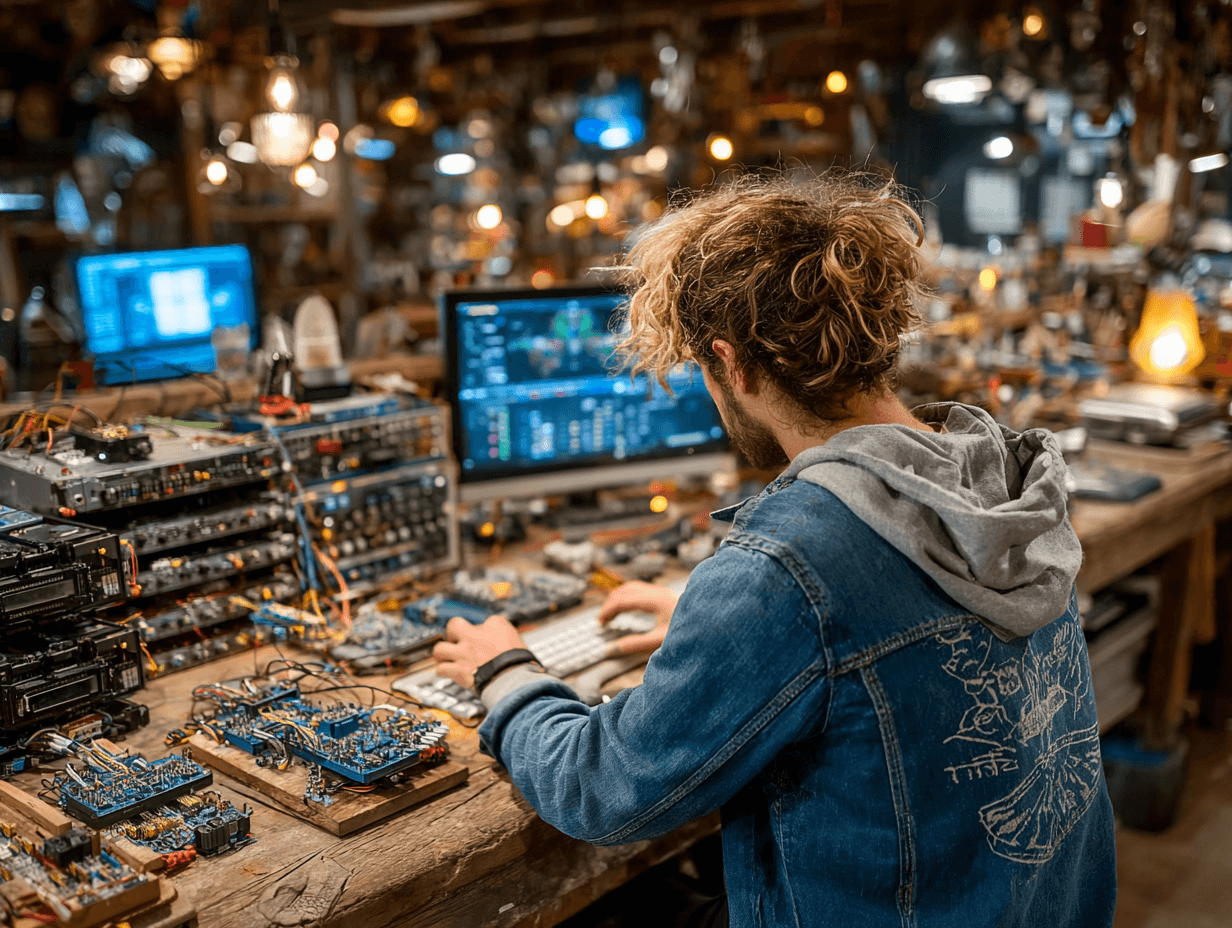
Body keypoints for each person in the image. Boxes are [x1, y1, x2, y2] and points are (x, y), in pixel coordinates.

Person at [432, 172, 1117, 928]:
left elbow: (603, 791)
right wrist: (718, 620)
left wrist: (505, 672)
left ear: (731, 363)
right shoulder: (1004, 482)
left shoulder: (786, 574)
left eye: (702, 369)